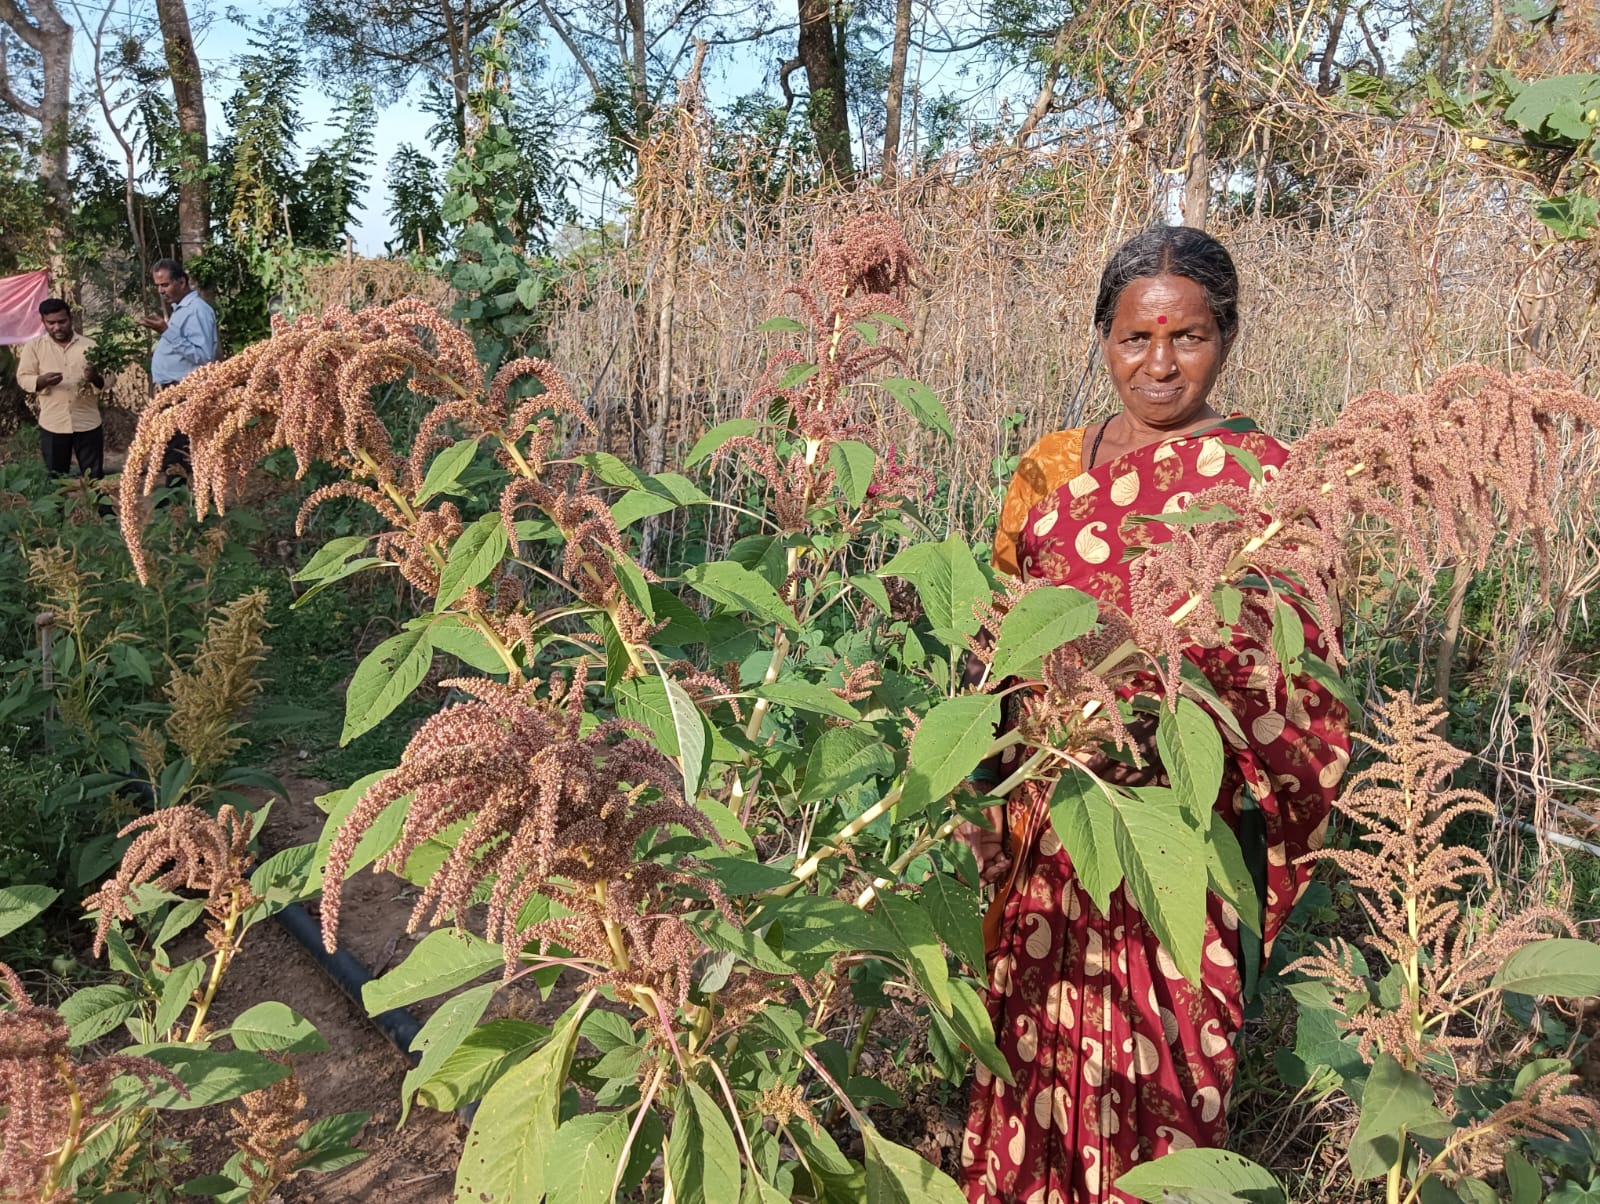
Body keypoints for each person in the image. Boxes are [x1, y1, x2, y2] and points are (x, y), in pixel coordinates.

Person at [960, 226, 1350, 1203]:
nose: (1160, 363)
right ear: (1101, 338)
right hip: (1053, 821)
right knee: (1036, 1058)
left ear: (1228, 338)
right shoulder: (1051, 470)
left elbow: (1296, 678)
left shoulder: (1270, 481)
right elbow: (997, 639)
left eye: (1189, 337)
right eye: (1135, 338)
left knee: (1171, 1071)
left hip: (1184, 830)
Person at [137, 257, 218, 482]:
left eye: (165, 285)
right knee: (171, 446)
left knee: (179, 449)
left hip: (185, 391)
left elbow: (202, 356)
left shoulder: (197, 310)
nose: (161, 291)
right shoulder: (181, 310)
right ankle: (178, 502)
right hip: (172, 391)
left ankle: (180, 503)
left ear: (182, 282)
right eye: (158, 286)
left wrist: (165, 330)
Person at [16, 297, 105, 478]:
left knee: (96, 478)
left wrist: (94, 377)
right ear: (43, 322)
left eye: (62, 321)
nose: (57, 327)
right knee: (56, 479)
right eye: (51, 323)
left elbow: (109, 380)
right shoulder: (34, 347)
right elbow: (23, 377)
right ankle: (57, 508)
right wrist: (42, 381)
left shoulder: (90, 346)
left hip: (87, 422)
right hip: (53, 424)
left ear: (70, 319)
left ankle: (101, 507)